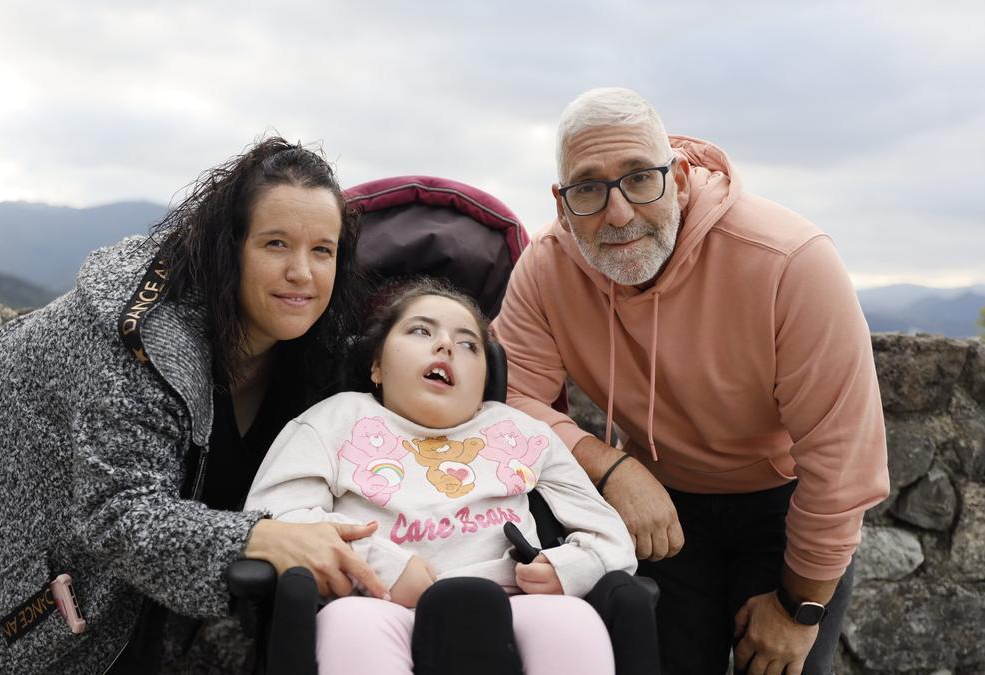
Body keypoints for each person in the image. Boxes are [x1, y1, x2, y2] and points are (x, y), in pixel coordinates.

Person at [0, 137, 390, 674]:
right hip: (32, 607)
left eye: (322, 250)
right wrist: (261, 537)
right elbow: (116, 512)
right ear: (228, 249)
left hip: (133, 616)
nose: (302, 271)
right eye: (276, 244)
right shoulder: (137, 340)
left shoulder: (311, 355)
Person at [491, 88, 891, 675]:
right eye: (589, 188)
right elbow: (507, 396)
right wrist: (610, 466)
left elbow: (842, 460)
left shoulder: (790, 260)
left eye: (639, 179)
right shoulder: (548, 266)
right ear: (562, 203)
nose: (618, 213)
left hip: (783, 504)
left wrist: (798, 610)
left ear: (678, 179)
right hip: (655, 504)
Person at [244, 278, 638, 675]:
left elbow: (610, 535)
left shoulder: (523, 432)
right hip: (375, 600)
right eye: (421, 331)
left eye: (469, 344)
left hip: (511, 599)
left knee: (574, 623)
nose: (446, 346)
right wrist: (383, 564)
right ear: (377, 365)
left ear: (485, 381)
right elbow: (273, 520)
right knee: (349, 627)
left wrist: (565, 568)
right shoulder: (334, 420)